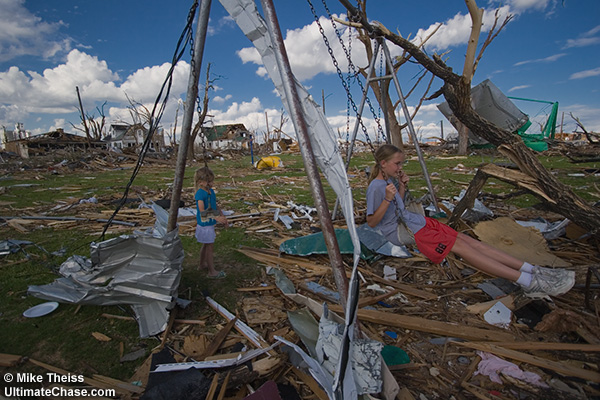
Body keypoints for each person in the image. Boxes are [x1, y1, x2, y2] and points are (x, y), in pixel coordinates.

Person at [365, 144, 575, 299]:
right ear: (383, 163)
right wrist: (387, 198)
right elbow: (373, 221)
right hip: (403, 231)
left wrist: (401, 186)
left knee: (468, 241)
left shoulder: (389, 180)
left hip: (416, 221)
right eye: (397, 163)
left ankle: (532, 269)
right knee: (461, 248)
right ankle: (528, 282)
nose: (400, 167)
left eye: (402, 163)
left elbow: (399, 205)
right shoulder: (376, 187)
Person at [194, 166, 229, 279]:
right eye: (208, 181)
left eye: (212, 181)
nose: (211, 183)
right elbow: (202, 211)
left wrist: (222, 215)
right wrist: (216, 218)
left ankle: (201, 265)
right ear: (200, 182)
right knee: (209, 247)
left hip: (210, 222)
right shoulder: (200, 194)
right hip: (205, 225)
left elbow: (215, 205)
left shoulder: (210, 192)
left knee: (206, 244)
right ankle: (211, 271)